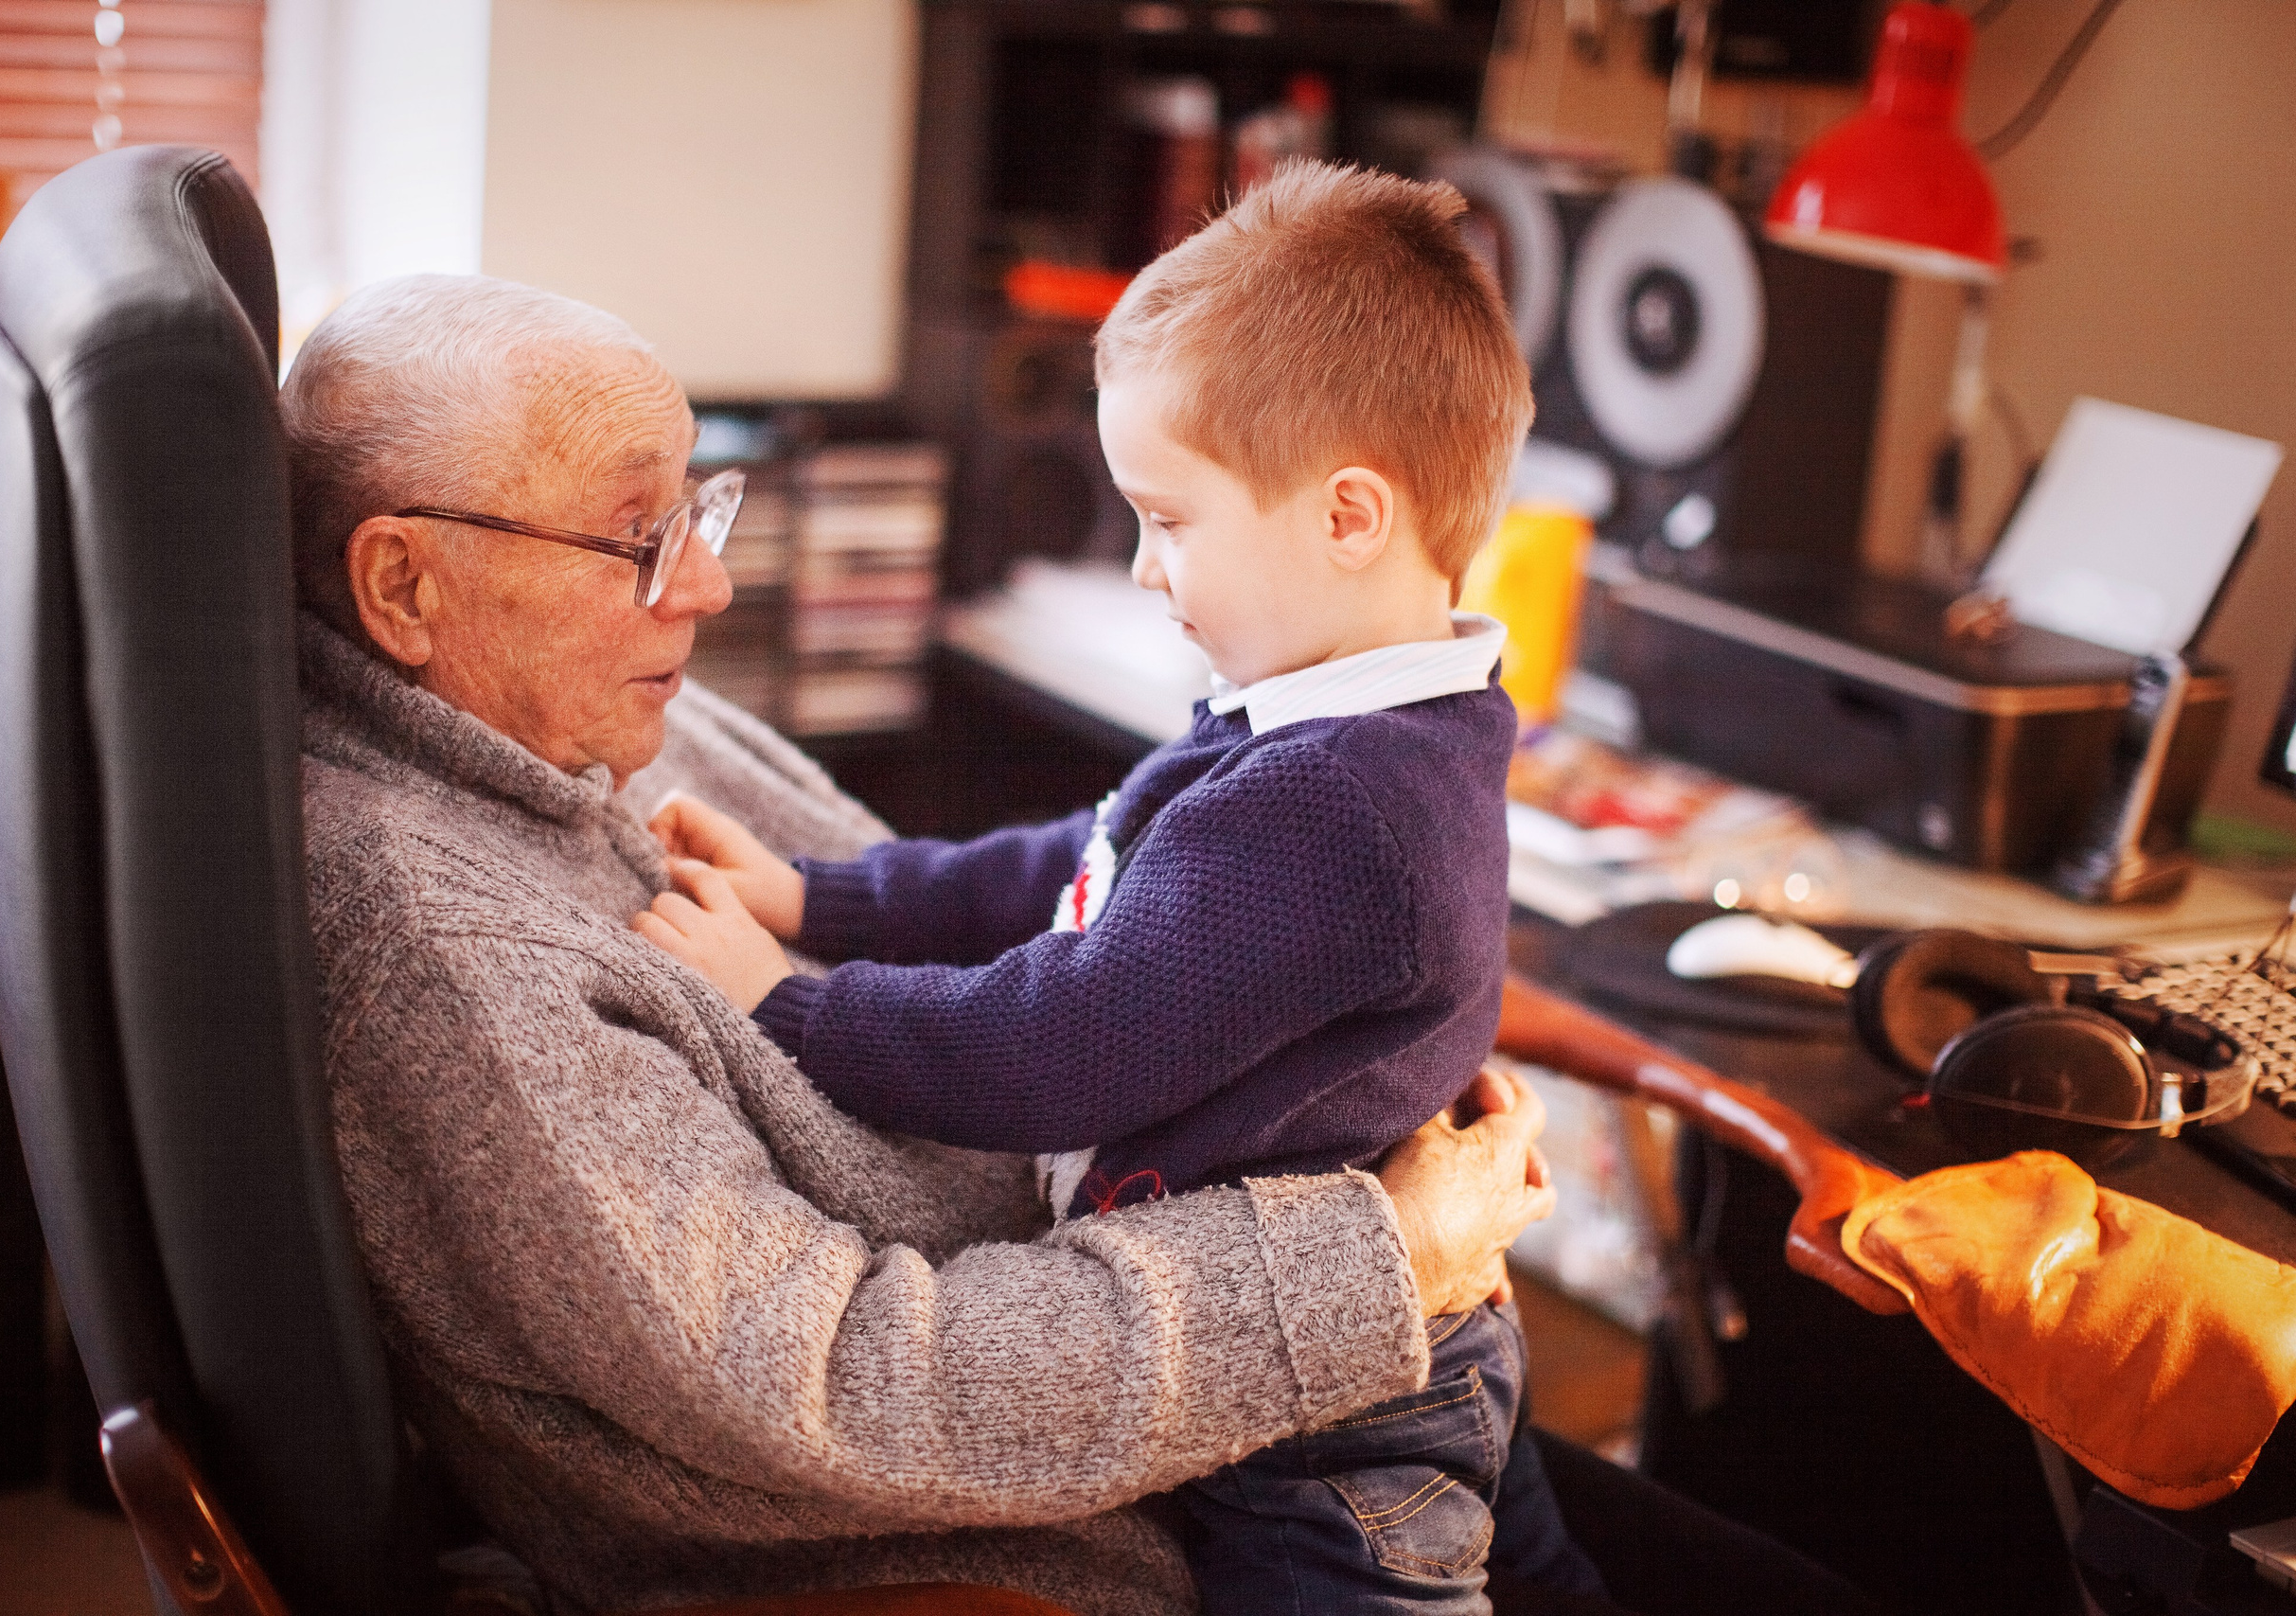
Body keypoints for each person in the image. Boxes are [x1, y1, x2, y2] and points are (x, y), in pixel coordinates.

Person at [284, 271, 1874, 1616]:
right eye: (642, 536)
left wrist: (818, 915)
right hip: (1136, 1504)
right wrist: (1379, 1260)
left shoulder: (590, 708)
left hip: (1289, 1373)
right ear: (406, 588)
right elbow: (847, 1386)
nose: (704, 583)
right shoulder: (448, 956)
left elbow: (1074, 906)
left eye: (699, 504)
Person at [630, 162, 1598, 1616]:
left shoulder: (1333, 803)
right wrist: (822, 900)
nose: (1146, 570)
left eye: (1170, 519)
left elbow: (1056, 1049)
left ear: (1349, 518)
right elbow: (1077, 873)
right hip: (1392, 1342)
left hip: (1323, 1428)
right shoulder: (1324, 716)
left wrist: (789, 1005)